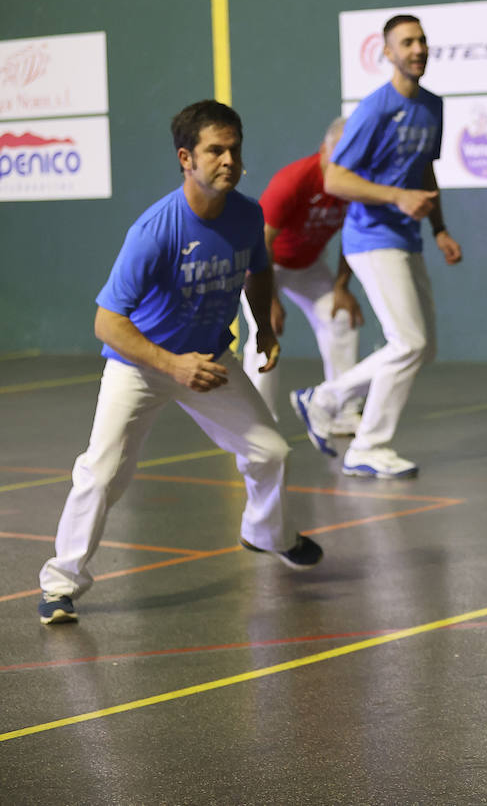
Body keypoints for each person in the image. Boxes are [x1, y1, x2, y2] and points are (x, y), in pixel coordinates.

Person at [38, 100, 322, 626]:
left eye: (235, 149)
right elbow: (107, 322)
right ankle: (60, 584)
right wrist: (172, 365)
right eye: (216, 150)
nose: (229, 161)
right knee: (101, 475)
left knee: (269, 452)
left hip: (208, 362)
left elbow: (258, 271)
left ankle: (267, 534)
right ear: (186, 158)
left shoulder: (247, 214)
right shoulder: (157, 230)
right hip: (141, 366)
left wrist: (260, 327)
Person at [291, 14, 462, 479]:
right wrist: (396, 197)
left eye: (422, 41)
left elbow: (425, 171)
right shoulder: (375, 109)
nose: (417, 49)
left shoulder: (432, 107)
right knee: (407, 341)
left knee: (420, 349)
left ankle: (325, 398)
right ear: (387, 53)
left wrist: (440, 228)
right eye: (406, 43)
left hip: (407, 237)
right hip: (370, 237)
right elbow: (335, 177)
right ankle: (368, 445)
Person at [240, 117, 365, 434]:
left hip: (308, 266)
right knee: (263, 333)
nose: (349, 160)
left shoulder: (353, 183)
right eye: (343, 151)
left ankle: (338, 411)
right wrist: (269, 299)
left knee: (340, 319)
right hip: (263, 267)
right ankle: (257, 423)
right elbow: (260, 242)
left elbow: (353, 236)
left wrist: (341, 287)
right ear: (325, 149)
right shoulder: (294, 180)